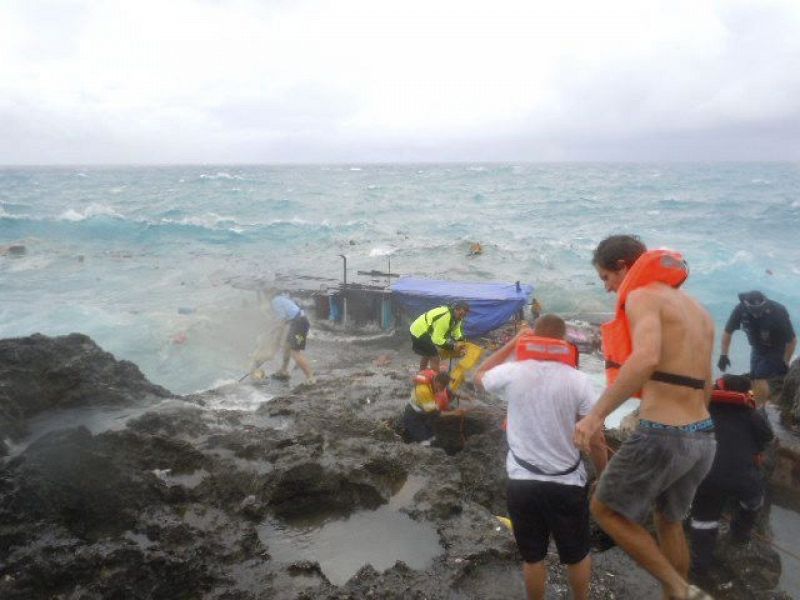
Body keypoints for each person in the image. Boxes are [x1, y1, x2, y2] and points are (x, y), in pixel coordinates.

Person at [573, 234, 716, 600]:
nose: (607, 289)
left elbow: (646, 357)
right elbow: (708, 382)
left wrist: (595, 416)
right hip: (703, 435)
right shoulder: (696, 309)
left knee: (605, 509)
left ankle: (678, 588)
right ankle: (680, 595)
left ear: (623, 266)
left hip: (664, 435)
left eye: (606, 278)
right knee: (669, 522)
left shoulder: (641, 296)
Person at [475, 314, 608, 600]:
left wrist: (513, 343)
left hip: (522, 483)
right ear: (563, 341)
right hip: (567, 484)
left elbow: (479, 375)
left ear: (534, 337)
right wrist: (603, 476)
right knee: (576, 555)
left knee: (533, 557)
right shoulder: (580, 381)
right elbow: (597, 440)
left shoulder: (514, 371)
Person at [689, 374, 774, 579]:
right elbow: (767, 436)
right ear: (746, 394)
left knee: (703, 520)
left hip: (708, 475)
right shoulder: (752, 415)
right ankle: (739, 534)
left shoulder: (706, 410)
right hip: (743, 477)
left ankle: (699, 567)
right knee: (753, 502)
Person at [718, 290, 796, 406]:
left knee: (760, 377)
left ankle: (762, 411)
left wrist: (785, 361)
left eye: (759, 312)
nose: (756, 315)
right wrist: (724, 355)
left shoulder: (778, 311)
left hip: (776, 348)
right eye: (753, 312)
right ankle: (762, 404)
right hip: (757, 348)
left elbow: (792, 341)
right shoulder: (741, 309)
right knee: (754, 377)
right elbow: (728, 332)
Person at [252, 290, 314, 383]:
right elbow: (283, 321)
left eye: (265, 293)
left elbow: (281, 319)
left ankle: (310, 378)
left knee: (295, 352)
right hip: (298, 322)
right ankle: (284, 371)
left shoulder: (275, 301)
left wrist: (272, 332)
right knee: (286, 346)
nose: (265, 296)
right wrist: (275, 334)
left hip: (299, 323)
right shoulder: (282, 297)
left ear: (269, 293)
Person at [401, 370, 464, 444]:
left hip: (423, 412)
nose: (441, 390)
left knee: (433, 437)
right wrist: (454, 413)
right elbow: (434, 413)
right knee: (425, 442)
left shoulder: (434, 377)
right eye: (441, 387)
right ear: (437, 382)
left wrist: (459, 396)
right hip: (412, 415)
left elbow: (447, 390)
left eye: (444, 387)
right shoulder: (423, 391)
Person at [409, 301, 469, 371]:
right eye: (461, 314)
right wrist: (452, 347)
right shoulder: (445, 317)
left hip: (421, 329)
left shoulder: (457, 318)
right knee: (435, 357)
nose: (462, 317)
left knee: (428, 353)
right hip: (419, 330)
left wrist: (460, 341)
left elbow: (456, 331)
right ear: (455, 309)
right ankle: (437, 380)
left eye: (464, 315)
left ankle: (421, 372)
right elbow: (437, 340)